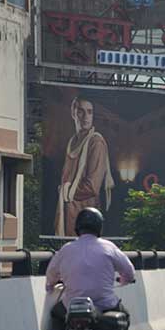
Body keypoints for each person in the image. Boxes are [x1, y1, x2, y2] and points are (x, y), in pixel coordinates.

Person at [46, 208, 135, 330]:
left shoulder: (66, 249)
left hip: (72, 304)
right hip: (104, 303)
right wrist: (126, 279)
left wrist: (50, 284)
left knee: (56, 313)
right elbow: (128, 270)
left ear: (78, 227)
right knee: (124, 315)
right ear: (99, 227)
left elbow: (52, 272)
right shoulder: (109, 247)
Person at [55, 95, 116, 237]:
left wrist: (66, 191)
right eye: (81, 111)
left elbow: (92, 186)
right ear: (73, 113)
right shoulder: (72, 142)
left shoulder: (96, 142)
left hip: (85, 219)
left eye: (90, 112)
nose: (86, 117)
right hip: (68, 213)